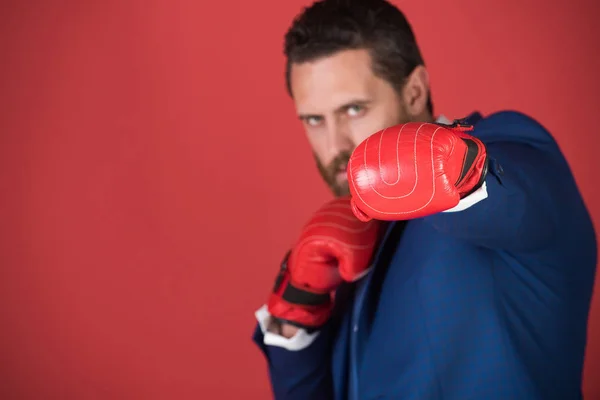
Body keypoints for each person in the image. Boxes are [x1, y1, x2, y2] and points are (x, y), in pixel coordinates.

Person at [251, 0, 597, 399]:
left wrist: (458, 171)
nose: (335, 146)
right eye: (314, 119)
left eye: (353, 109)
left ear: (414, 91)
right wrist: (299, 308)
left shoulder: (509, 152)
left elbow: (523, 197)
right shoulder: (352, 239)